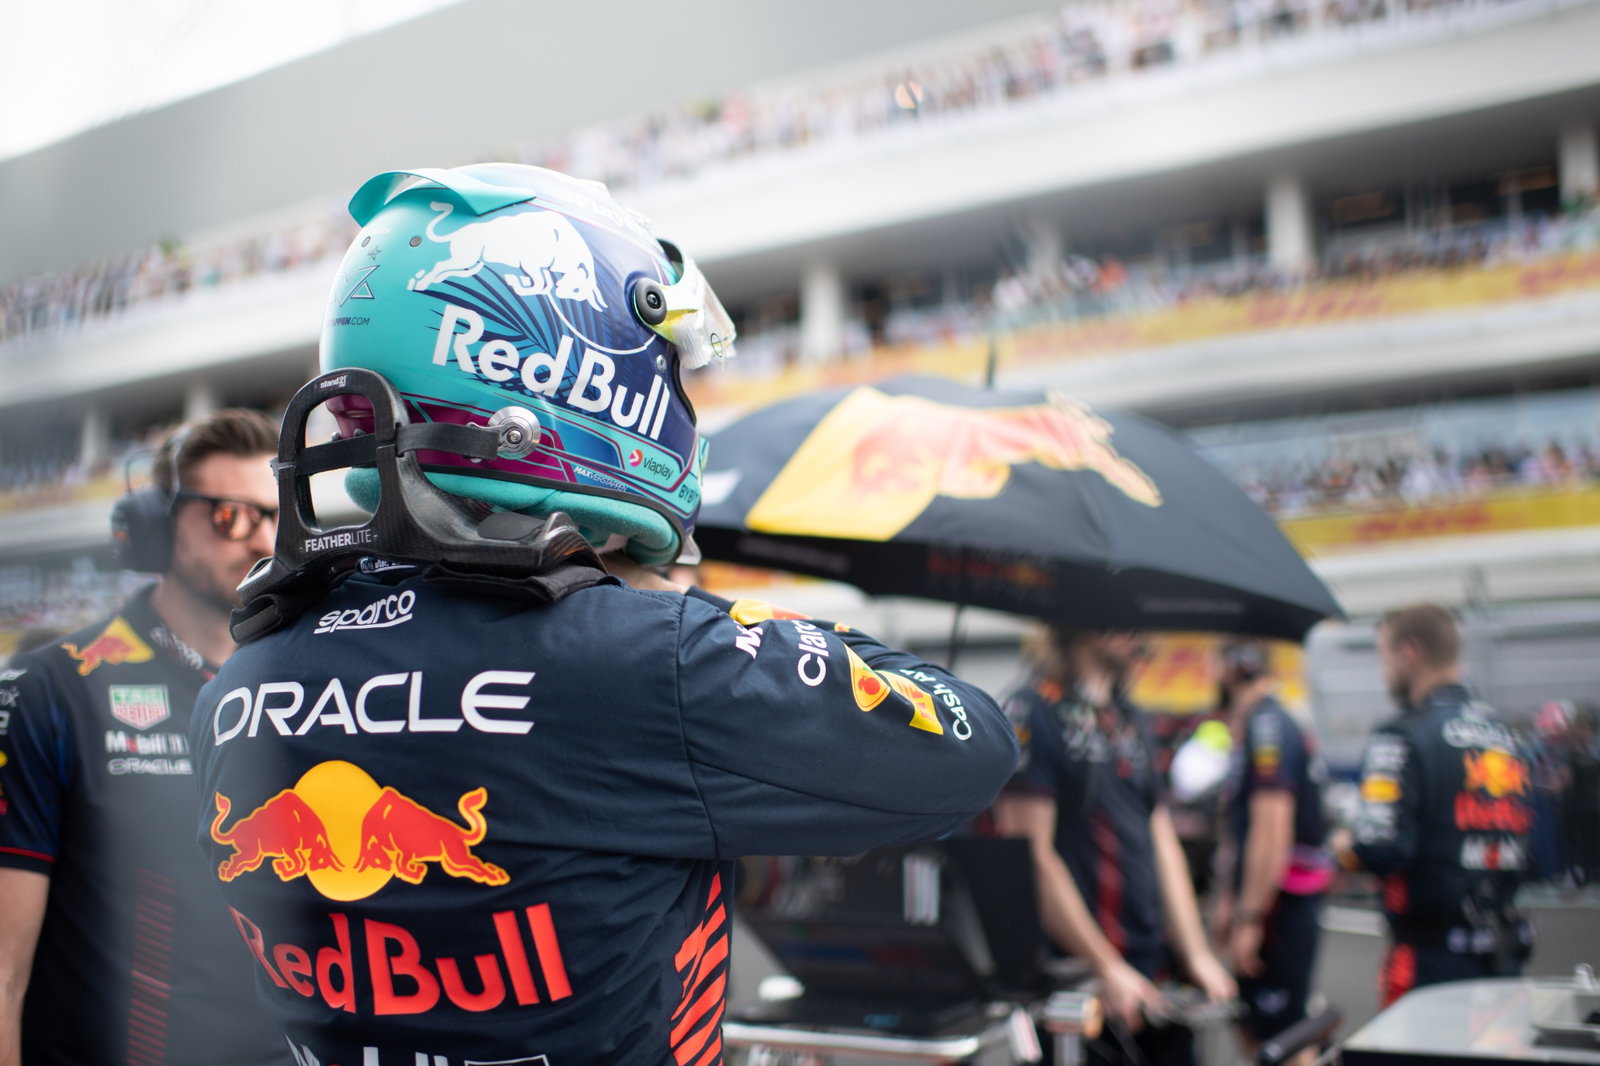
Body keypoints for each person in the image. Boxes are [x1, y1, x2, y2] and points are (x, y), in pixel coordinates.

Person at [187, 163, 1020, 1066]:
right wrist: (681, 605)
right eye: (661, 365)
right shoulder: (646, 659)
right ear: (572, 372)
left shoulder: (243, 676)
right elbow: (970, 746)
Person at [0, 409, 290, 1066]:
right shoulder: (53, 688)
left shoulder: (298, 694)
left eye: (274, 517)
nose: (261, 542)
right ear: (156, 530)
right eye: (231, 516)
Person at [991, 626, 1235, 1065]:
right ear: (1081, 619)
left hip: (1151, 968)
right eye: (1118, 613)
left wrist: (1195, 952)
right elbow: (1030, 855)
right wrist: (1105, 967)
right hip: (1077, 978)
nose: (1136, 628)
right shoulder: (1032, 710)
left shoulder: (1128, 714)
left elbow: (1159, 835)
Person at [1331, 603, 1536, 1007]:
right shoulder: (1505, 736)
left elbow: (1381, 849)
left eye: (1383, 658)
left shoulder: (1400, 736)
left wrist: (1344, 848)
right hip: (1504, 952)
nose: (1383, 672)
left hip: (1430, 957)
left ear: (1409, 653)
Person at [1208, 639, 1330, 1066]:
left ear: (1235, 665)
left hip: (1279, 908)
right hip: (1271, 903)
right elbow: (1239, 829)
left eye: (1216, 658)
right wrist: (1229, 899)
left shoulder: (1269, 726)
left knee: (1282, 1040)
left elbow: (1270, 831)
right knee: (1259, 1029)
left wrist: (1250, 917)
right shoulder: (1258, 724)